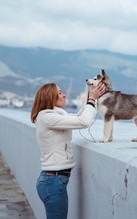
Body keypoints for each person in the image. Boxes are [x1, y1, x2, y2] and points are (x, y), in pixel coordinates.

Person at [30, 81, 105, 219]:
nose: (64, 95)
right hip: (53, 181)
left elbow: (77, 117)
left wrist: (90, 99)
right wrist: (92, 99)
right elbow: (83, 122)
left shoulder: (52, 115)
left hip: (53, 181)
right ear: (50, 97)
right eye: (59, 93)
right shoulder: (47, 117)